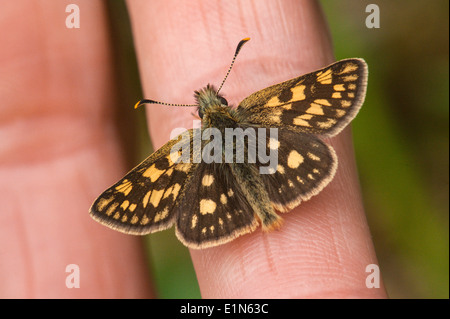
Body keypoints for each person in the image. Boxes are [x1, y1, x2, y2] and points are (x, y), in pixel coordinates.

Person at [0, 0, 387, 298]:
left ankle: (252, 209)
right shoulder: (259, 110)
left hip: (214, 201)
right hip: (282, 160)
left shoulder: (185, 149)